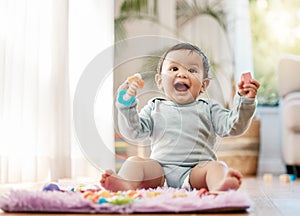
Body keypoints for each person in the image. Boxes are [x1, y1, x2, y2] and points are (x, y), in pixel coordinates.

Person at [100, 43, 260, 192]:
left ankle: (219, 185)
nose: (182, 74)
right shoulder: (154, 107)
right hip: (158, 172)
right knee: (134, 162)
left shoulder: (209, 108)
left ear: (204, 85)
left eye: (191, 70)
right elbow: (133, 132)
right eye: (174, 68)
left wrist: (245, 100)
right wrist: (126, 106)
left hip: (196, 171)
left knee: (217, 167)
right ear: (160, 81)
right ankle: (126, 183)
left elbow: (234, 126)